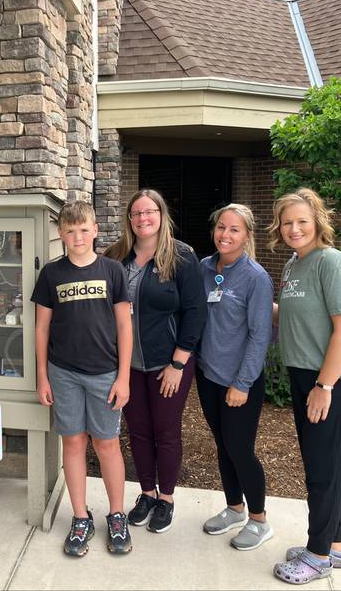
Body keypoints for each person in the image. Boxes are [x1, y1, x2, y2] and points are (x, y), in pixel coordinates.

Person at [269, 188, 341, 584]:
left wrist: (324, 385)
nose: (294, 228)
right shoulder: (295, 265)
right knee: (332, 465)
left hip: (337, 380)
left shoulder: (333, 263)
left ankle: (317, 556)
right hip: (306, 375)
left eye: (302, 221)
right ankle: (336, 545)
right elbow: (290, 317)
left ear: (318, 222)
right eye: (287, 222)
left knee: (323, 470)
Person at [31, 200, 133, 557]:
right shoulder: (51, 274)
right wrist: (42, 376)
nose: (77, 236)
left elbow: (124, 325)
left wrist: (124, 377)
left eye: (84, 230)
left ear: (95, 231)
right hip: (63, 373)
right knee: (72, 443)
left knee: (106, 444)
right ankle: (80, 517)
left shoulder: (113, 271)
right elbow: (41, 328)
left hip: (105, 373)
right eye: (70, 230)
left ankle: (116, 515)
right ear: (60, 234)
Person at [104, 188, 206, 533]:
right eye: (136, 213)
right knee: (138, 431)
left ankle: (167, 498)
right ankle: (146, 493)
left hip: (169, 364)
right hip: (128, 366)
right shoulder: (117, 257)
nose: (143, 219)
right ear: (128, 219)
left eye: (150, 212)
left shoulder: (182, 257)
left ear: (161, 215)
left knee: (165, 430)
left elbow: (195, 312)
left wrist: (178, 363)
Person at [195, 204, 274, 550]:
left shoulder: (255, 277)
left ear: (247, 236)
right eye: (221, 228)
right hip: (208, 375)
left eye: (234, 230)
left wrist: (242, 383)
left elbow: (260, 335)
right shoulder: (204, 268)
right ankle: (234, 508)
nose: (225, 235)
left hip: (239, 381)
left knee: (241, 450)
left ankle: (259, 520)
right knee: (223, 447)